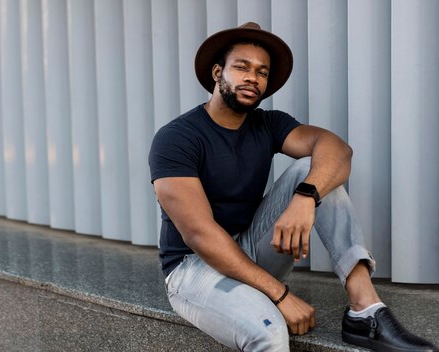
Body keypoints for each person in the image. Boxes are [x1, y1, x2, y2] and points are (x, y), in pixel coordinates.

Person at [148, 22, 437, 352]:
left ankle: (364, 309)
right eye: (241, 67)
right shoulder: (177, 138)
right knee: (269, 334)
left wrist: (306, 196)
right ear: (218, 72)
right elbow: (200, 234)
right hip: (193, 268)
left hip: (248, 249)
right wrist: (281, 294)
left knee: (312, 171)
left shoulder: (268, 124)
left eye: (261, 72)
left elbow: (338, 151)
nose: (252, 78)